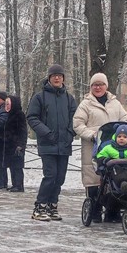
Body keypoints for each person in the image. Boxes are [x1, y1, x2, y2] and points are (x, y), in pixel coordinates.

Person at [74, 72, 127, 222]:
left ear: (106, 86)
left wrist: (121, 132)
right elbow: (78, 124)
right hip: (93, 146)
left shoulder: (115, 103)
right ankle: (95, 211)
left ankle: (113, 212)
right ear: (91, 87)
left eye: (101, 84)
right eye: (95, 85)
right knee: (93, 178)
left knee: (114, 178)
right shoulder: (85, 104)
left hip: (114, 147)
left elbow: (125, 119)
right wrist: (92, 135)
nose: (98, 87)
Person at [26, 64, 77, 221]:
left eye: (60, 75)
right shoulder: (40, 97)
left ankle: (52, 205)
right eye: (54, 75)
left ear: (63, 78)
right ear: (49, 78)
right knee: (50, 175)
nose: (57, 78)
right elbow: (32, 117)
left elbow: (76, 119)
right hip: (47, 144)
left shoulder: (69, 99)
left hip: (64, 145)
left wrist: (70, 134)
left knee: (60, 177)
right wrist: (46, 133)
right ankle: (39, 207)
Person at [2, 95, 27, 192]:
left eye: (8, 104)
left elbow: (23, 131)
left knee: (17, 167)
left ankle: (19, 185)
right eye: (6, 104)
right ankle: (14, 184)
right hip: (10, 145)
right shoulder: (10, 114)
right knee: (12, 166)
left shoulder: (19, 114)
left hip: (17, 145)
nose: (6, 106)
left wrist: (21, 144)